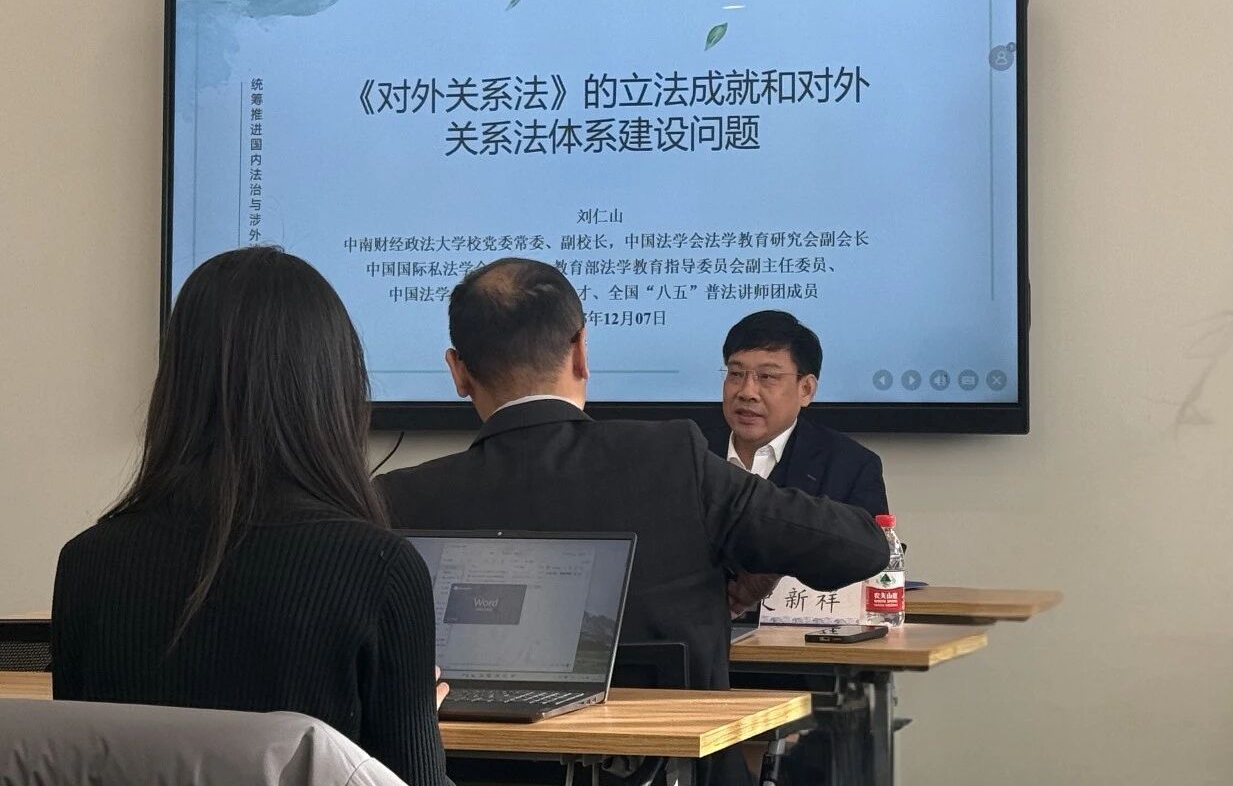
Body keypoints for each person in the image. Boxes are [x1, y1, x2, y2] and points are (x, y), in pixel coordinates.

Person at [378, 258, 889, 786]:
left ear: (458, 371)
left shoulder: (399, 499)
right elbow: (862, 547)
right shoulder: (672, 460)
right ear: (581, 350)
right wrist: (763, 562)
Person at [51, 247, 451, 786]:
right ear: (334, 386)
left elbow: (80, 765)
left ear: (178, 382)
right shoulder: (382, 569)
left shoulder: (85, 563)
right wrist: (417, 720)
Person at [707, 310, 889, 516]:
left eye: (767, 376)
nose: (747, 392)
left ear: (806, 389)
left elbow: (866, 538)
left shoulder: (851, 468)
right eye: (736, 374)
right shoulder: (690, 451)